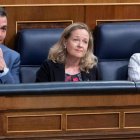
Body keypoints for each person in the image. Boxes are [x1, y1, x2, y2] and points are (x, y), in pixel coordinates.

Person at [0, 7, 20, 84]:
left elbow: (16, 93)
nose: (0, 34)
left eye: (3, 29)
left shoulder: (13, 57)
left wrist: (4, 70)